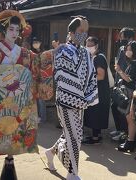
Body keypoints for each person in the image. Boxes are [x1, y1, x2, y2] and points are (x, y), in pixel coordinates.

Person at [0, 8, 53, 179]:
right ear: (3, 30)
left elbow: (36, 63)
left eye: (17, 30)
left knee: (15, 129)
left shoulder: (23, 52)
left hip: (19, 98)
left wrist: (50, 55)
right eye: (11, 29)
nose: (14, 33)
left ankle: (9, 161)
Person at [44, 16, 98, 180]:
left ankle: (50, 152)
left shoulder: (85, 53)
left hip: (80, 101)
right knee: (75, 136)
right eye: (81, 31)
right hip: (66, 100)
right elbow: (61, 75)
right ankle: (72, 172)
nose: (83, 34)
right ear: (71, 32)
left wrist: (88, 96)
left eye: (86, 32)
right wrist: (76, 92)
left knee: (72, 133)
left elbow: (91, 75)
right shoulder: (62, 50)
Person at [82, 36, 110, 145]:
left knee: (96, 113)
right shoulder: (92, 57)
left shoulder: (99, 58)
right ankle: (96, 135)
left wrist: (86, 78)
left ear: (96, 46)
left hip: (100, 92)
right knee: (95, 113)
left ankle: (95, 138)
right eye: (87, 45)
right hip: (96, 91)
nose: (88, 47)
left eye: (90, 45)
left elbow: (101, 76)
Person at [115, 41, 136, 152]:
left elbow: (130, 79)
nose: (127, 51)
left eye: (130, 49)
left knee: (130, 118)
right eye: (127, 49)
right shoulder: (133, 62)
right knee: (129, 118)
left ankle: (130, 142)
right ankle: (130, 140)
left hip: (131, 92)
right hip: (129, 91)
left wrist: (119, 71)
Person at [111, 27, 135, 141]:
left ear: (129, 37)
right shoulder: (121, 48)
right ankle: (119, 129)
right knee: (114, 106)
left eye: (122, 36)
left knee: (123, 108)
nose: (121, 38)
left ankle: (123, 133)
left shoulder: (133, 48)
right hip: (118, 80)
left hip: (127, 82)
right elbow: (118, 63)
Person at [32, 37, 47, 123]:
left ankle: (43, 117)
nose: (35, 43)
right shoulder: (32, 52)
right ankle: (38, 116)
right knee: (36, 98)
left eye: (37, 42)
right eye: (34, 42)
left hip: (42, 78)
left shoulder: (44, 53)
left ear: (40, 43)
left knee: (41, 98)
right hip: (34, 78)